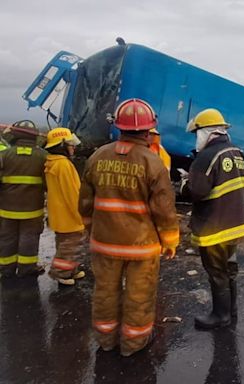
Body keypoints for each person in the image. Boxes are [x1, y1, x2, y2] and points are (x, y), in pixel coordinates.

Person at [79, 98, 180, 357]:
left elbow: (85, 203)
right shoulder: (153, 162)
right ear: (149, 130)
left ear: (118, 127)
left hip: (104, 243)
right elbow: (164, 210)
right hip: (141, 248)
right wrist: (170, 241)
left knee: (105, 291)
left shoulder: (97, 157)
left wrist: (91, 229)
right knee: (139, 294)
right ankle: (133, 344)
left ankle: (106, 339)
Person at [181, 108, 244, 329]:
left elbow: (197, 192)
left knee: (216, 271)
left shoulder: (207, 156)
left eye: (197, 133)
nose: (196, 138)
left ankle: (220, 316)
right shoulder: (237, 152)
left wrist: (185, 183)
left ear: (206, 132)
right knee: (229, 269)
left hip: (214, 227)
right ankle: (232, 311)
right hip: (235, 223)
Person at [0, 120, 47, 278]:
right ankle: (27, 269)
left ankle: (6, 268)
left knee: (7, 237)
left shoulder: (4, 155)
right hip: (32, 209)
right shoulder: (43, 156)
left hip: (7, 209)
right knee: (29, 237)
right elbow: (49, 184)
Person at [44, 127, 86, 286]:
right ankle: (60, 273)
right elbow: (73, 194)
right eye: (70, 144)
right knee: (70, 247)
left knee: (67, 245)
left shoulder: (52, 162)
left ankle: (71, 270)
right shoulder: (63, 165)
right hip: (69, 217)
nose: (73, 147)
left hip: (60, 215)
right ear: (61, 145)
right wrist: (80, 215)